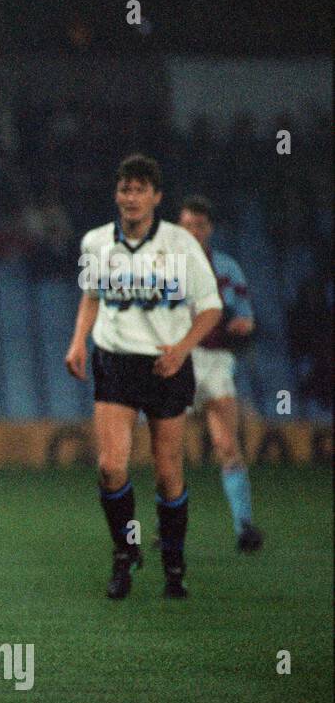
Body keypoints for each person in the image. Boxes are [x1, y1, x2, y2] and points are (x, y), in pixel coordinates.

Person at [65, 155, 223, 600]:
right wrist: (78, 342)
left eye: (140, 190)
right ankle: (125, 552)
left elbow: (211, 308)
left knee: (168, 471)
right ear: (117, 195)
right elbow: (91, 296)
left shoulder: (180, 244)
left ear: (156, 197)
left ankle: (174, 564)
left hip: (165, 365)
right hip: (115, 359)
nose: (131, 198)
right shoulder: (96, 242)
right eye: (124, 189)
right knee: (111, 466)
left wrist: (182, 349)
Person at [177, 195, 264, 552]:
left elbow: (245, 314)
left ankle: (244, 526)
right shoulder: (165, 267)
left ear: (209, 228)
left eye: (199, 225)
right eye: (187, 226)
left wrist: (243, 324)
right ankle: (165, 524)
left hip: (215, 362)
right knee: (168, 450)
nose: (194, 232)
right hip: (179, 360)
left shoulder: (227, 267)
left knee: (227, 445)